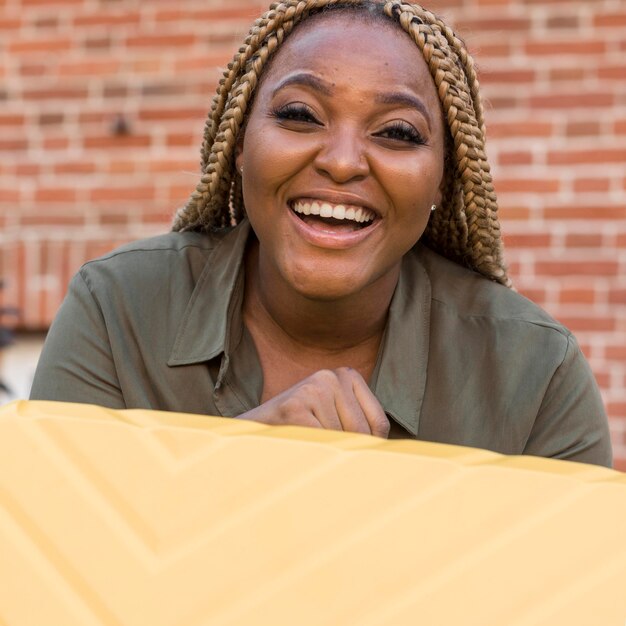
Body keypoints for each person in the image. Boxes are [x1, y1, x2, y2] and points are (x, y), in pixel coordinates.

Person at [30, 0, 612, 467]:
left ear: (443, 181)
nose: (341, 161)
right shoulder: (117, 309)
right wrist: (237, 456)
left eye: (398, 133)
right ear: (238, 146)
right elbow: (51, 559)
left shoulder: (535, 374)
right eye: (300, 116)